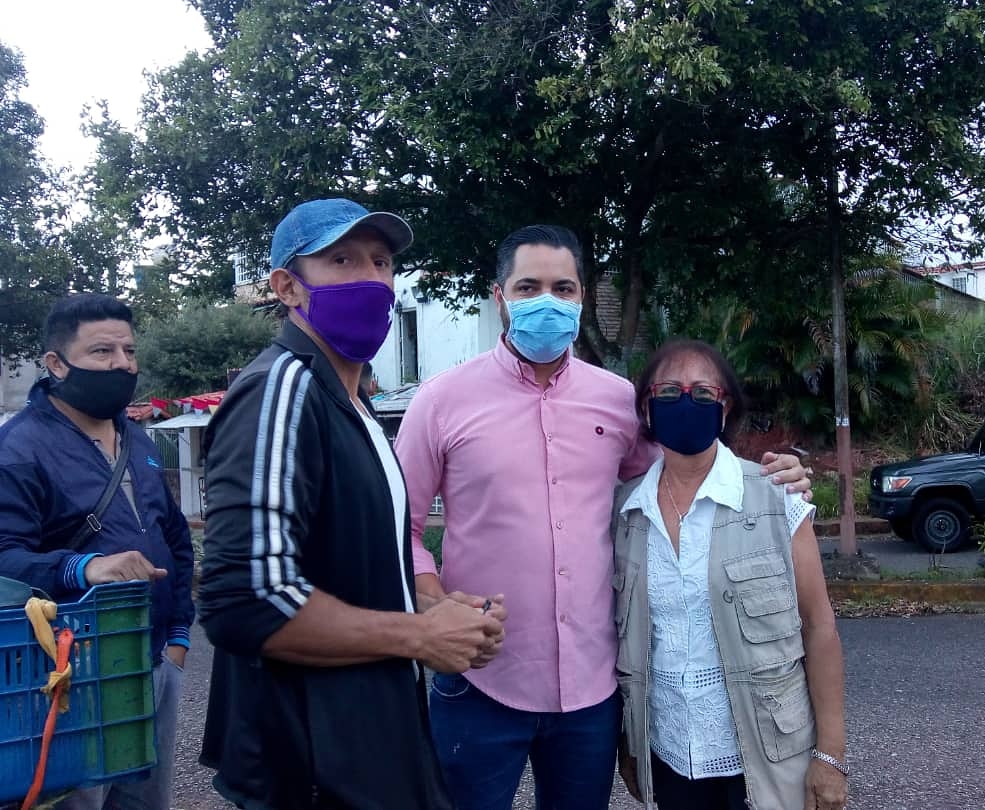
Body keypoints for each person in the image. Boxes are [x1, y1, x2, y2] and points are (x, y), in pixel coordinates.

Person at [393, 224, 811, 810]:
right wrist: (435, 604)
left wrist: (769, 475)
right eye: (529, 287)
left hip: (591, 688)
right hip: (480, 678)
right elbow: (402, 529)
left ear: (582, 297)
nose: (547, 301)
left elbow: (677, 479)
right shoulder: (440, 401)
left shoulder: (616, 400)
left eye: (563, 288)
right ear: (499, 296)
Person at [197, 198, 505, 810]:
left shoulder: (354, 402)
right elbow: (243, 600)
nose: (371, 278)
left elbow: (344, 562)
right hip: (308, 760)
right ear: (287, 287)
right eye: (342, 260)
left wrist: (432, 607)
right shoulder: (282, 389)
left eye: (381, 261)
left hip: (365, 742)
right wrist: (419, 635)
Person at [613, 339, 847, 810]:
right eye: (669, 391)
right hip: (669, 754)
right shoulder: (626, 511)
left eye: (703, 393)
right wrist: (628, 745)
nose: (686, 402)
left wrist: (831, 755)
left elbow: (819, 626)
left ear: (724, 411)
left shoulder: (776, 498)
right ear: (647, 408)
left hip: (767, 757)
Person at [0, 293, 194, 810]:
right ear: (57, 364)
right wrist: (82, 567)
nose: (122, 365)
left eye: (129, 351)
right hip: (68, 676)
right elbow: (4, 557)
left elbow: (174, 537)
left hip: (154, 662)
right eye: (103, 352)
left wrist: (179, 635)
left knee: (145, 802)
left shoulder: (138, 440)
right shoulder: (18, 449)